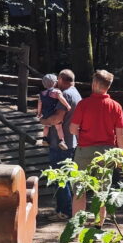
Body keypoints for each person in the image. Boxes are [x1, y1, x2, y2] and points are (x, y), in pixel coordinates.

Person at [66, 70, 123, 215]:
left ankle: (77, 226)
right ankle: (98, 228)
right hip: (107, 153)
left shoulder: (83, 104)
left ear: (94, 83)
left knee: (79, 190)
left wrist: (81, 134)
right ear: (108, 86)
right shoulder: (116, 106)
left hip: (84, 150)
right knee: (102, 192)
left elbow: (73, 129)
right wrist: (122, 156)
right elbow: (121, 134)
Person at [47, 69, 82, 218]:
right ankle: (65, 209)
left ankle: (65, 211)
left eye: (58, 80)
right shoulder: (76, 93)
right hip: (72, 141)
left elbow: (57, 118)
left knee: (60, 178)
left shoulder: (66, 95)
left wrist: (43, 121)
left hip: (61, 143)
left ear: (61, 79)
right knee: (66, 176)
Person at [36, 74, 71, 151]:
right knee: (59, 128)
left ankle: (44, 138)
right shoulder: (56, 91)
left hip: (45, 114)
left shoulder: (42, 94)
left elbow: (39, 104)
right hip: (54, 113)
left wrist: (39, 113)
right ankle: (62, 141)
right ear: (54, 83)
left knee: (46, 126)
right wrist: (68, 105)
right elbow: (61, 99)